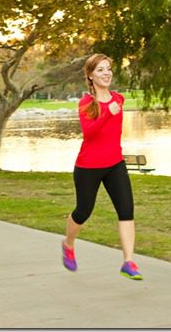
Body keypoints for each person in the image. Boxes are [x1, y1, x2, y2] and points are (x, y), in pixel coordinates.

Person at [61, 53, 143, 280]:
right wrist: (108, 112)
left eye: (108, 69)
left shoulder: (119, 99)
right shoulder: (86, 102)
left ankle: (128, 261)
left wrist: (111, 110)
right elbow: (89, 132)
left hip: (115, 164)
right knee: (83, 211)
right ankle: (68, 244)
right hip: (88, 167)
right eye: (100, 70)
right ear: (90, 75)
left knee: (126, 211)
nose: (106, 73)